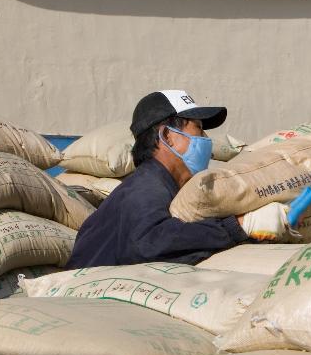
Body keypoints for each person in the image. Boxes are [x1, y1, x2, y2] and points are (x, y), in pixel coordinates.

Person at [67, 90, 294, 267]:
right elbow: (150, 244)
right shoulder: (145, 187)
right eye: (198, 129)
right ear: (167, 136)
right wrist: (241, 226)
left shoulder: (167, 187)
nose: (206, 140)